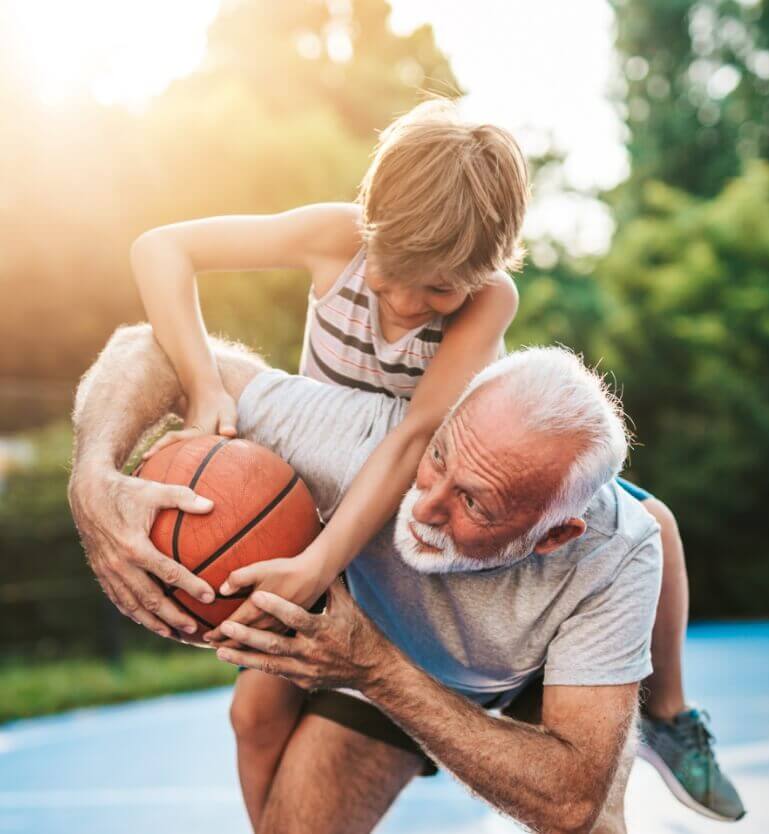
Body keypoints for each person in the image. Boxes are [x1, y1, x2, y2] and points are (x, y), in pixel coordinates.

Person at [127, 99, 742, 822]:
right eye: (391, 274)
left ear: (488, 268)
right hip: (342, 501)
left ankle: (667, 716)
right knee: (252, 716)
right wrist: (202, 384)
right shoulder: (334, 237)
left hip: (451, 497)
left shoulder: (488, 302)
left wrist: (317, 566)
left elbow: (415, 439)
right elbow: (159, 248)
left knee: (652, 526)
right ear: (371, 221)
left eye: (440, 288)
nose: (408, 303)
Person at [68, 324, 695, 832]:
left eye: (475, 503)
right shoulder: (364, 441)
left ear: (555, 534)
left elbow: (569, 801)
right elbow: (149, 345)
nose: (424, 505)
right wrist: (92, 476)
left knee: (593, 825)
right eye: (439, 456)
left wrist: (375, 669)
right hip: (384, 652)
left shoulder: (615, 554)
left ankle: (673, 720)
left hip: (458, 666)